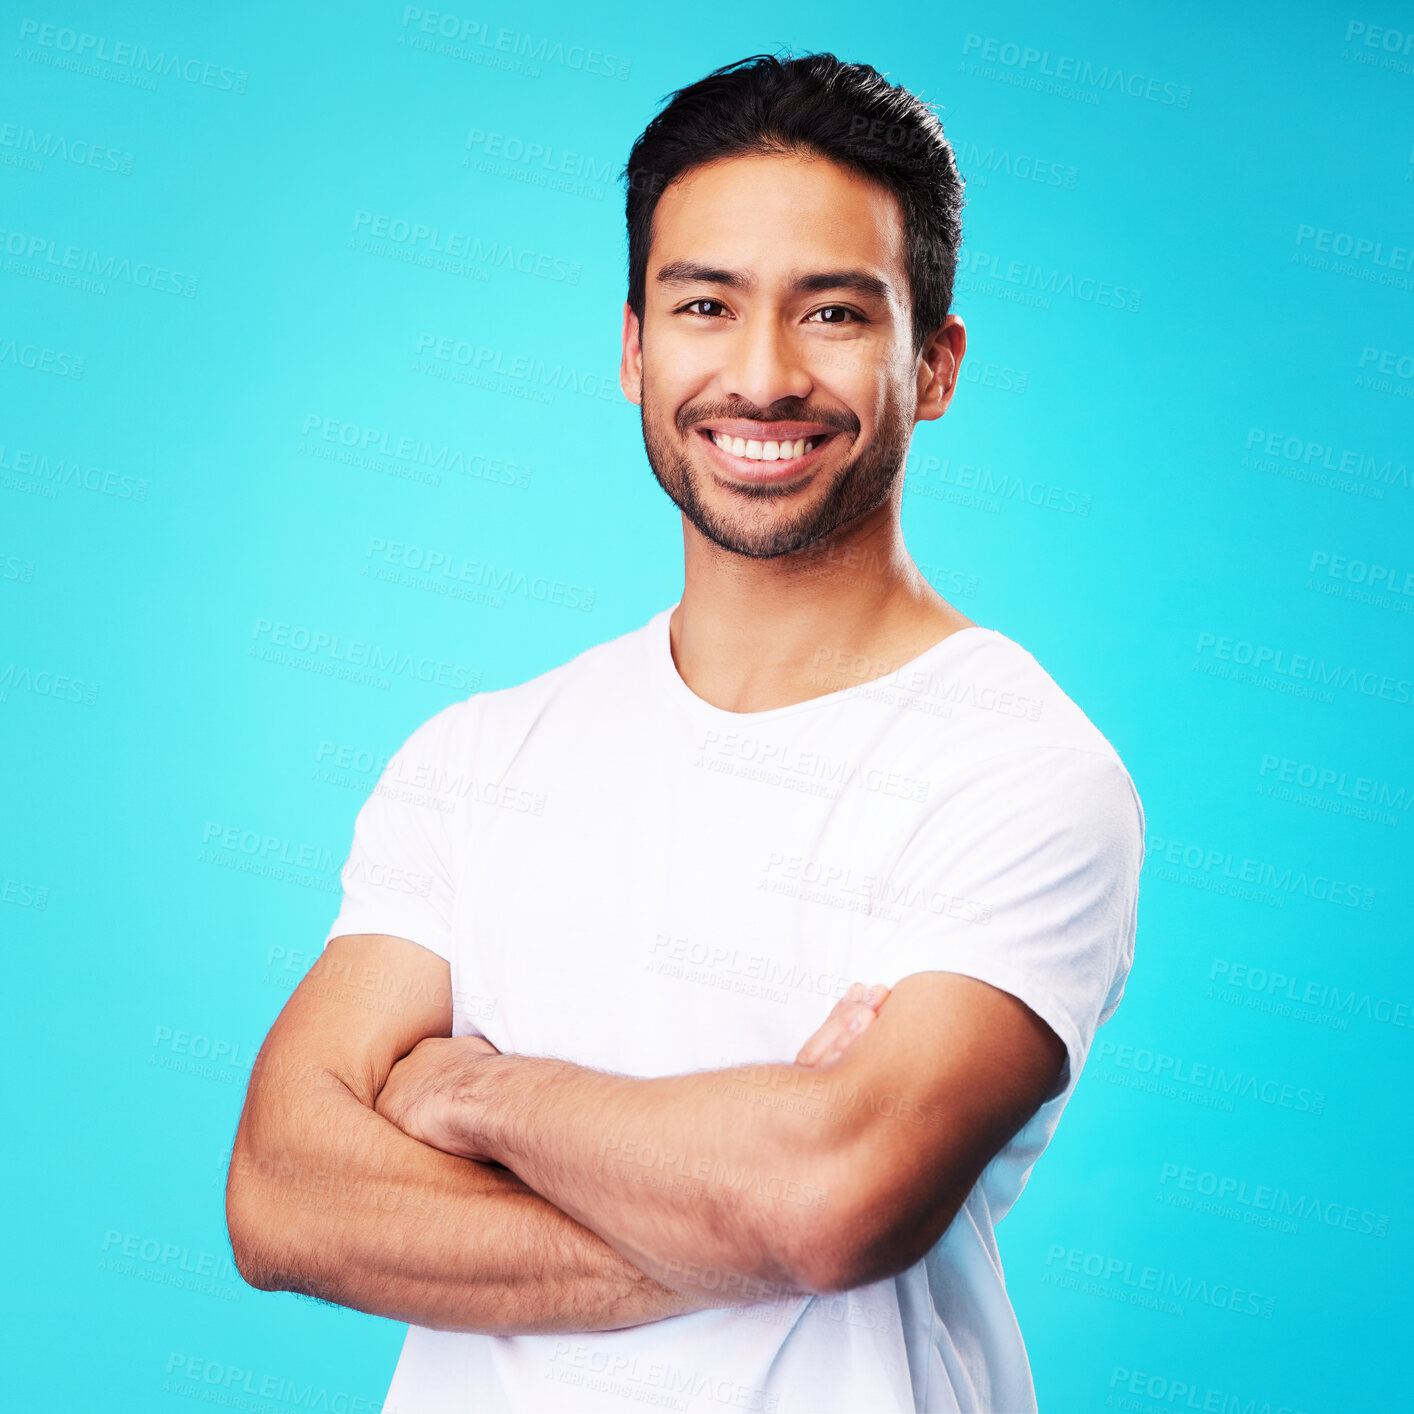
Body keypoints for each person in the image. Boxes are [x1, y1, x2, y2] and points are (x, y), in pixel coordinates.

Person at [226, 51, 1144, 1413]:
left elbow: (833, 1200)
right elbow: (282, 1198)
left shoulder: (1020, 771)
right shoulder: (481, 755)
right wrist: (739, 1194)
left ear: (933, 362)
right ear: (634, 349)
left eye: (833, 310)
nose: (761, 376)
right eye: (705, 303)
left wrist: (475, 1097)